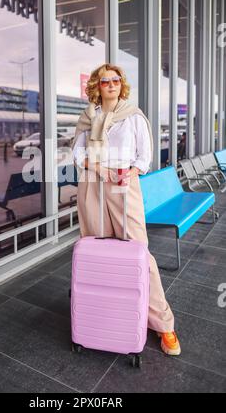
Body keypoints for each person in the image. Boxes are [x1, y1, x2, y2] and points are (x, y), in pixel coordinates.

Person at [71, 63, 181, 356]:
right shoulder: (87, 117)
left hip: (123, 185)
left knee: (138, 252)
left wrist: (125, 171)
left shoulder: (133, 116)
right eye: (105, 80)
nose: (111, 84)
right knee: (98, 252)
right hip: (92, 186)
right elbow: (76, 154)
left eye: (115, 79)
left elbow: (144, 157)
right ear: (96, 85)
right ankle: (109, 315)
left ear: (121, 84)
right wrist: (99, 169)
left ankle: (163, 324)